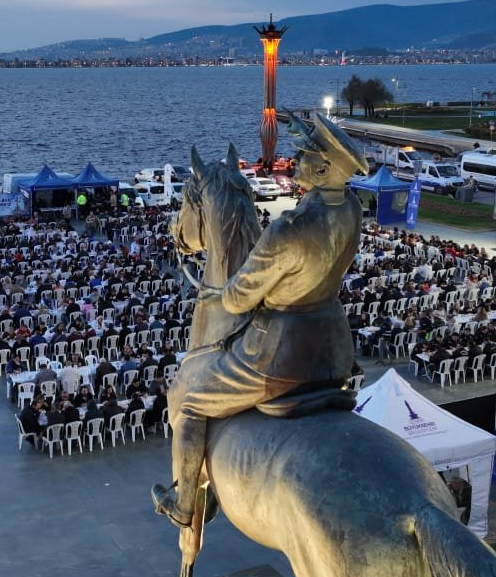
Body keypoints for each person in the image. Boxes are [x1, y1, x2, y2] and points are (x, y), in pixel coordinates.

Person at [152, 113, 367, 528]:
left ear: (323, 168)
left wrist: (221, 290)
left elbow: (236, 300)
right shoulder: (352, 208)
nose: (295, 158)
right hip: (335, 347)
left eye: (304, 154)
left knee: (191, 403)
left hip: (281, 355)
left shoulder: (292, 227)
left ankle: (183, 503)